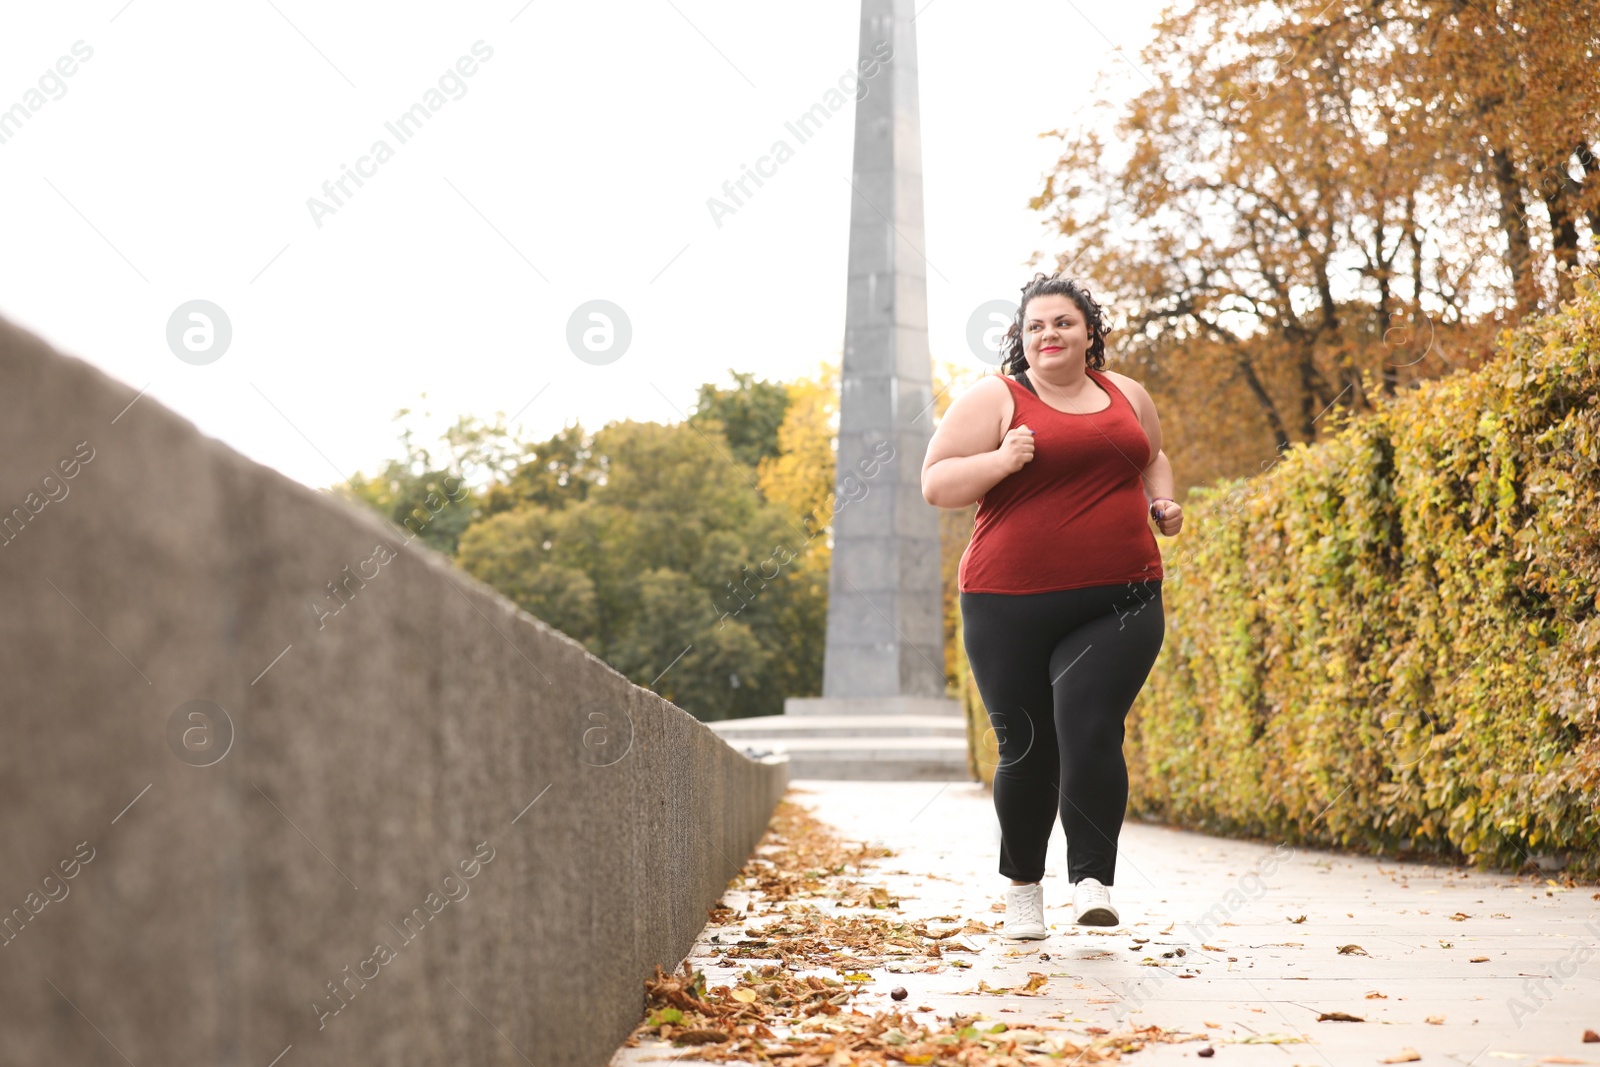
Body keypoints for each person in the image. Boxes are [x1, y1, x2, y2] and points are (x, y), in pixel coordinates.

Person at [921, 272, 1183, 938]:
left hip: (1120, 597)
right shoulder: (996, 398)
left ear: (1089, 331)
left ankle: (1092, 879)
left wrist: (1163, 501)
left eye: (1063, 322)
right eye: (1035, 325)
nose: (1049, 335)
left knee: (1091, 728)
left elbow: (1153, 456)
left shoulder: (1126, 393)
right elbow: (937, 482)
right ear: (1020, 338)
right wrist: (1002, 461)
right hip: (1006, 603)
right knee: (1027, 747)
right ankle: (1023, 890)